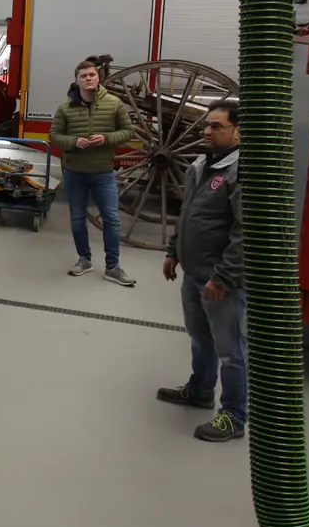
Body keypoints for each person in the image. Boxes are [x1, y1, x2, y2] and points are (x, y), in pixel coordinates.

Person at [157, 100, 248, 442]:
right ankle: (200, 389)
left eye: (216, 126)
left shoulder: (240, 171)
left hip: (220, 281)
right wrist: (173, 252)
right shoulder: (202, 164)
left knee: (231, 349)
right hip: (194, 273)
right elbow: (187, 213)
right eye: (207, 125)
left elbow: (244, 232)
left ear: (238, 131)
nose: (207, 131)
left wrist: (222, 278)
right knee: (200, 338)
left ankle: (234, 416)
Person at [49, 58, 136, 286]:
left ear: (98, 78)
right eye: (83, 76)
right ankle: (84, 260)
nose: (88, 79)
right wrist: (73, 142)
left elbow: (128, 132)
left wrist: (107, 138)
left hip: (103, 172)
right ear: (76, 81)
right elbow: (54, 136)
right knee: (77, 219)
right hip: (75, 172)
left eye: (92, 75)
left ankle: (113, 267)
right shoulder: (65, 108)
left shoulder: (113, 104)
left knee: (112, 219)